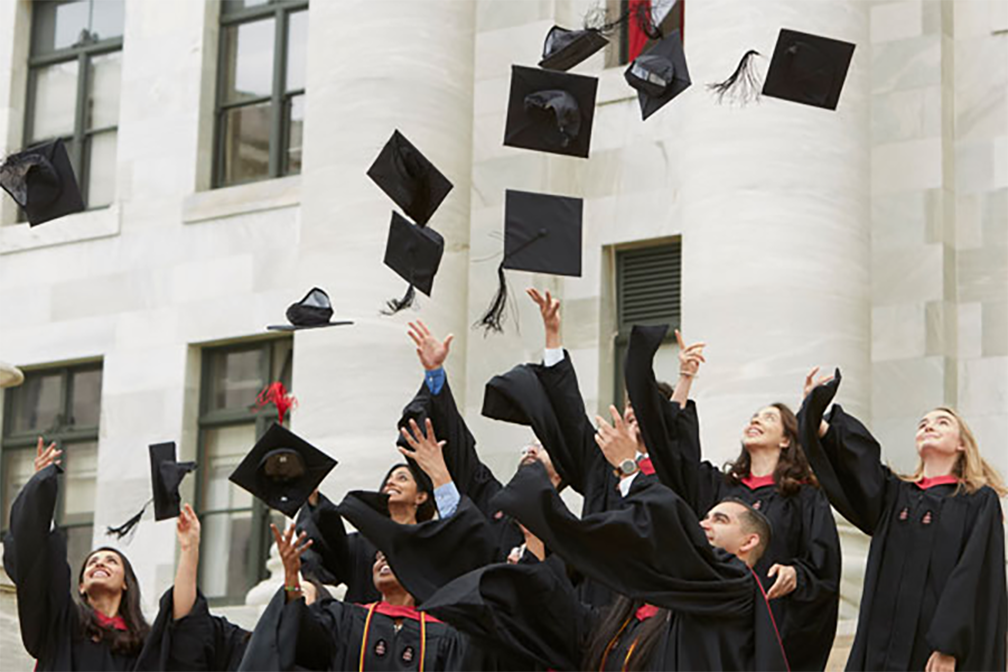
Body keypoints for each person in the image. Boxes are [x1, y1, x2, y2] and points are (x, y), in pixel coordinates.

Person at [421, 409, 790, 671]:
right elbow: (576, 625)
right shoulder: (638, 606)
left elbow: (679, 538)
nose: (704, 523)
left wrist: (630, 469)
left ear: (748, 543)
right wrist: (534, 559)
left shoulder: (736, 590)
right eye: (705, 515)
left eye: (720, 519)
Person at [623, 324, 841, 672]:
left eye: (768, 418)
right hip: (713, 626)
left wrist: (797, 574)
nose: (756, 420)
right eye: (754, 416)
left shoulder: (804, 496)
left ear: (787, 440)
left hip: (774, 621)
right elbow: (674, 454)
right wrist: (685, 378)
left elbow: (824, 566)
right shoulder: (719, 488)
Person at [799, 369, 1007, 672]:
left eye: (942, 422)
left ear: (962, 444)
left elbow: (972, 576)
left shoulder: (977, 502)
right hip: (880, 644)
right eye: (923, 424)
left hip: (933, 650)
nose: (928, 426)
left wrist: (948, 645)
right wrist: (815, 416)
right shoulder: (895, 496)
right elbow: (858, 468)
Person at [401, 319, 564, 562]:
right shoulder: (491, 499)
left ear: (561, 473)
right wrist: (435, 374)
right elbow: (459, 452)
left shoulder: (563, 531)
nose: (531, 449)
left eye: (541, 447)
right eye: (529, 445)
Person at [237, 523, 479, 671]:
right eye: (378, 557)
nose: (382, 559)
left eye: (391, 557)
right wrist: (291, 578)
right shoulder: (345, 619)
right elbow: (301, 639)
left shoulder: (446, 637)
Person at [2, 438, 151, 672]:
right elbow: (40, 571)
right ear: (81, 586)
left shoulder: (144, 644)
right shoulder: (61, 625)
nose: (100, 563)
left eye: (111, 561)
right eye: (92, 562)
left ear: (126, 583)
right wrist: (41, 499)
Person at [137, 504, 329, 672]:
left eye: (300, 593)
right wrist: (189, 549)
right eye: (286, 591)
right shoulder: (242, 646)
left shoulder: (329, 660)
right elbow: (188, 625)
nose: (289, 593)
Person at [295, 431, 445, 603]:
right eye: (389, 479)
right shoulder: (362, 542)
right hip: (363, 625)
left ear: (421, 497)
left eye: (402, 478)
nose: (390, 482)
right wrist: (314, 499)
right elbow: (329, 552)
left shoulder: (431, 540)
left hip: (416, 625)